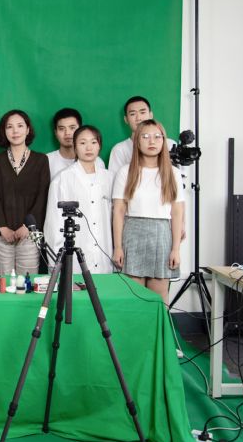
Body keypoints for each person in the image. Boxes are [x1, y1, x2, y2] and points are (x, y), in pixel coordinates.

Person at [112, 119, 184, 305]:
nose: (152, 141)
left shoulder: (173, 173)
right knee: (133, 297)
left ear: (163, 141)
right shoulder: (125, 172)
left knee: (159, 298)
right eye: (145, 136)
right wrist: (118, 247)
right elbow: (119, 211)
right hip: (133, 234)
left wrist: (176, 249)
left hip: (162, 235)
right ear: (137, 141)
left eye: (157, 137)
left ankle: (160, 326)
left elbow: (177, 212)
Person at [0, 109, 50, 276]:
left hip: (29, 234)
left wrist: (27, 227)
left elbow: (42, 196)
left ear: (28, 130)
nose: (15, 131)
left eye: (20, 126)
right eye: (10, 127)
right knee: (3, 283)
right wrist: (2, 227)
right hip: (1, 235)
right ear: (4, 131)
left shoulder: (41, 160)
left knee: (27, 283)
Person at [44, 125, 114, 274]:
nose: (88, 147)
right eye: (82, 143)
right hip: (72, 258)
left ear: (99, 146)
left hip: (104, 256)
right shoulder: (62, 179)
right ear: (75, 147)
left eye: (93, 142)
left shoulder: (109, 178)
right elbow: (53, 224)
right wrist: (55, 261)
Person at [107, 96, 177, 180]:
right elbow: (115, 181)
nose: (138, 118)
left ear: (150, 115)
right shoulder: (119, 150)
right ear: (126, 119)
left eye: (142, 112)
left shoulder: (170, 144)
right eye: (133, 114)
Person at [46, 107, 104, 179]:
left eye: (72, 128)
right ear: (55, 133)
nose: (67, 133)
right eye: (61, 129)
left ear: (80, 130)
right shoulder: (47, 161)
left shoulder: (97, 162)